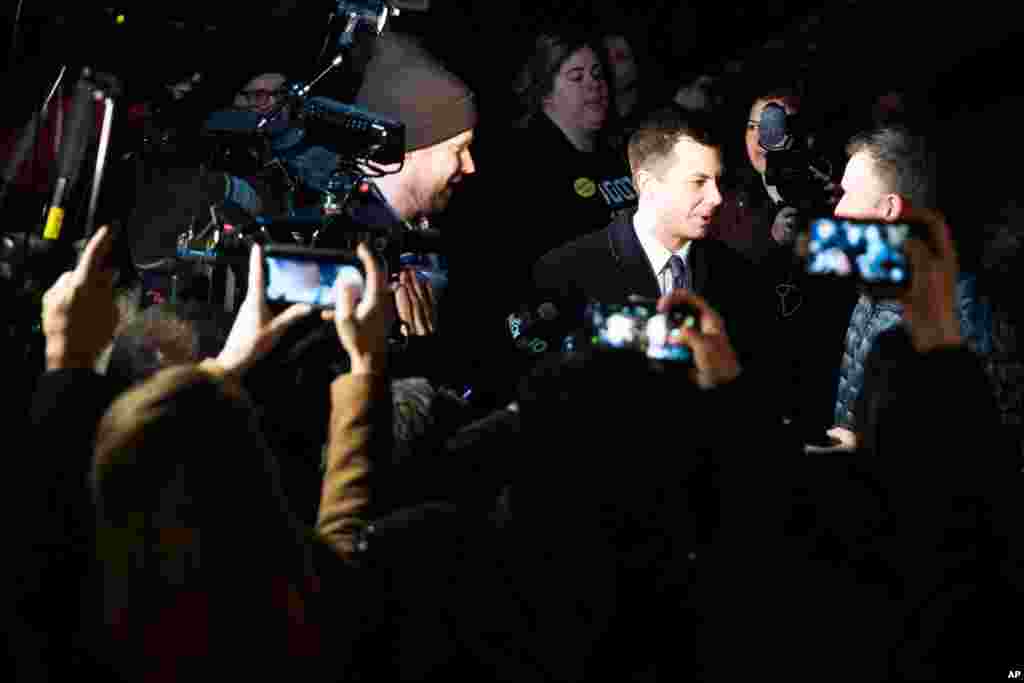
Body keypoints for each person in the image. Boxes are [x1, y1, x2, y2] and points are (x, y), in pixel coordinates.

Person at [532, 105, 777, 382]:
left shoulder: (737, 274)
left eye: (717, 181)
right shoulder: (567, 272)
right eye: (699, 182)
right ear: (647, 185)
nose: (716, 197)